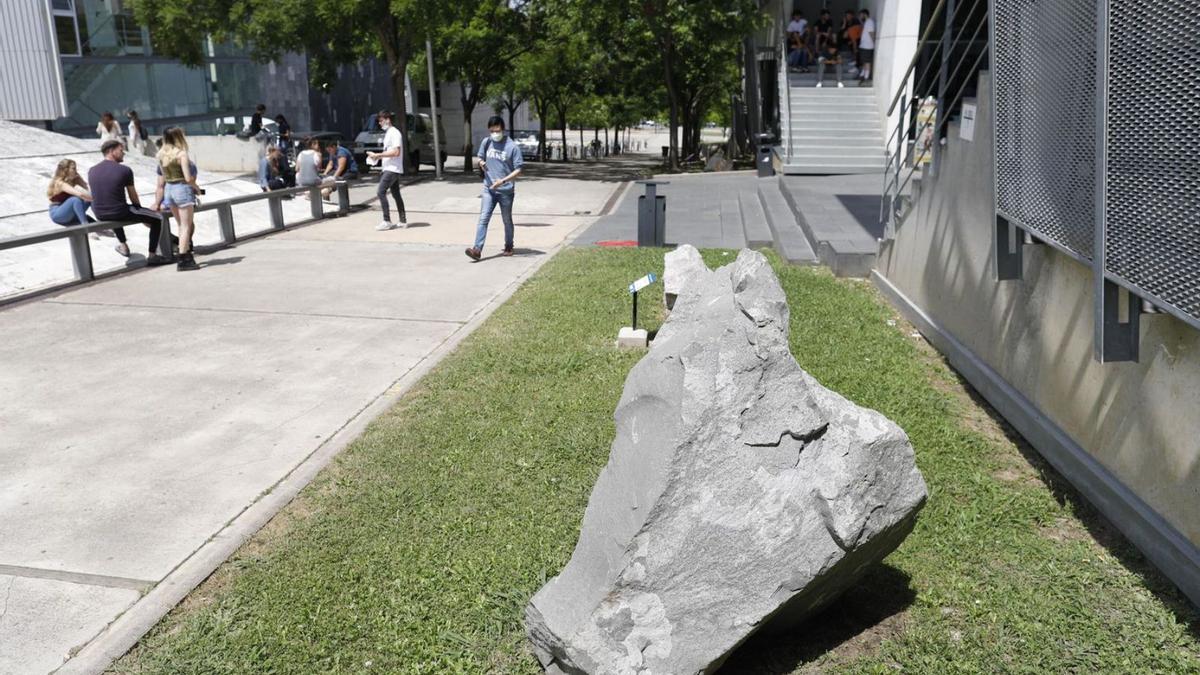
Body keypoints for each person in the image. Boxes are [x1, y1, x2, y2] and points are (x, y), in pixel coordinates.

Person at [88, 140, 169, 265]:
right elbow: (133, 196)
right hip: (118, 211)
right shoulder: (124, 170)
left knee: (114, 210)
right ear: (111, 151)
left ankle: (123, 245)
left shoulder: (92, 170)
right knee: (157, 218)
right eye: (121, 150)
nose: (124, 153)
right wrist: (140, 210)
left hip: (99, 213)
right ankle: (153, 256)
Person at [464, 116, 524, 261]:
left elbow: (519, 169)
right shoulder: (487, 142)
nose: (494, 133)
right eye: (492, 131)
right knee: (483, 219)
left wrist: (502, 181)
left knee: (506, 220)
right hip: (489, 189)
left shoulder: (512, 147)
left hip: (506, 191)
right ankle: (477, 249)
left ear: (502, 129)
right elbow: (479, 157)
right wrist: (481, 162)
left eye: (497, 130)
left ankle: (509, 245)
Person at [46, 159, 127, 256]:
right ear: (65, 170)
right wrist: (95, 198)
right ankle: (86, 228)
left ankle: (100, 223)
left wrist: (80, 181)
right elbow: (79, 194)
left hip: (71, 215)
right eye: (73, 168)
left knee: (87, 199)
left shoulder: (75, 179)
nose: (76, 170)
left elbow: (88, 190)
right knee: (76, 199)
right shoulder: (59, 183)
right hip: (58, 214)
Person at [151, 127, 202, 271]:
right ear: (179, 137)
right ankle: (183, 258)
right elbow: (187, 178)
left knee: (180, 225)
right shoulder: (181, 154)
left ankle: (185, 256)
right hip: (182, 189)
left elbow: (163, 179)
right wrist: (196, 187)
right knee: (186, 226)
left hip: (169, 191)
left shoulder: (160, 154)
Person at [366, 110, 407, 230]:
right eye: (379, 121)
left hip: (392, 168)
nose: (379, 123)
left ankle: (387, 220)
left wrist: (378, 155)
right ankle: (403, 220)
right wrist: (376, 157)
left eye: (381, 120)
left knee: (380, 192)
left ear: (388, 119)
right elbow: (391, 151)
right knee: (395, 193)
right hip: (390, 167)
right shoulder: (389, 133)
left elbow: (396, 152)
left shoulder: (394, 133)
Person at [858, 9, 876, 83]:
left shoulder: (870, 22)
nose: (860, 16)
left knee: (867, 61)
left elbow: (871, 33)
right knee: (864, 61)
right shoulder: (867, 22)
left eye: (861, 15)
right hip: (864, 45)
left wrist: (874, 43)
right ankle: (864, 74)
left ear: (864, 14)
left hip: (868, 45)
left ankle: (866, 76)